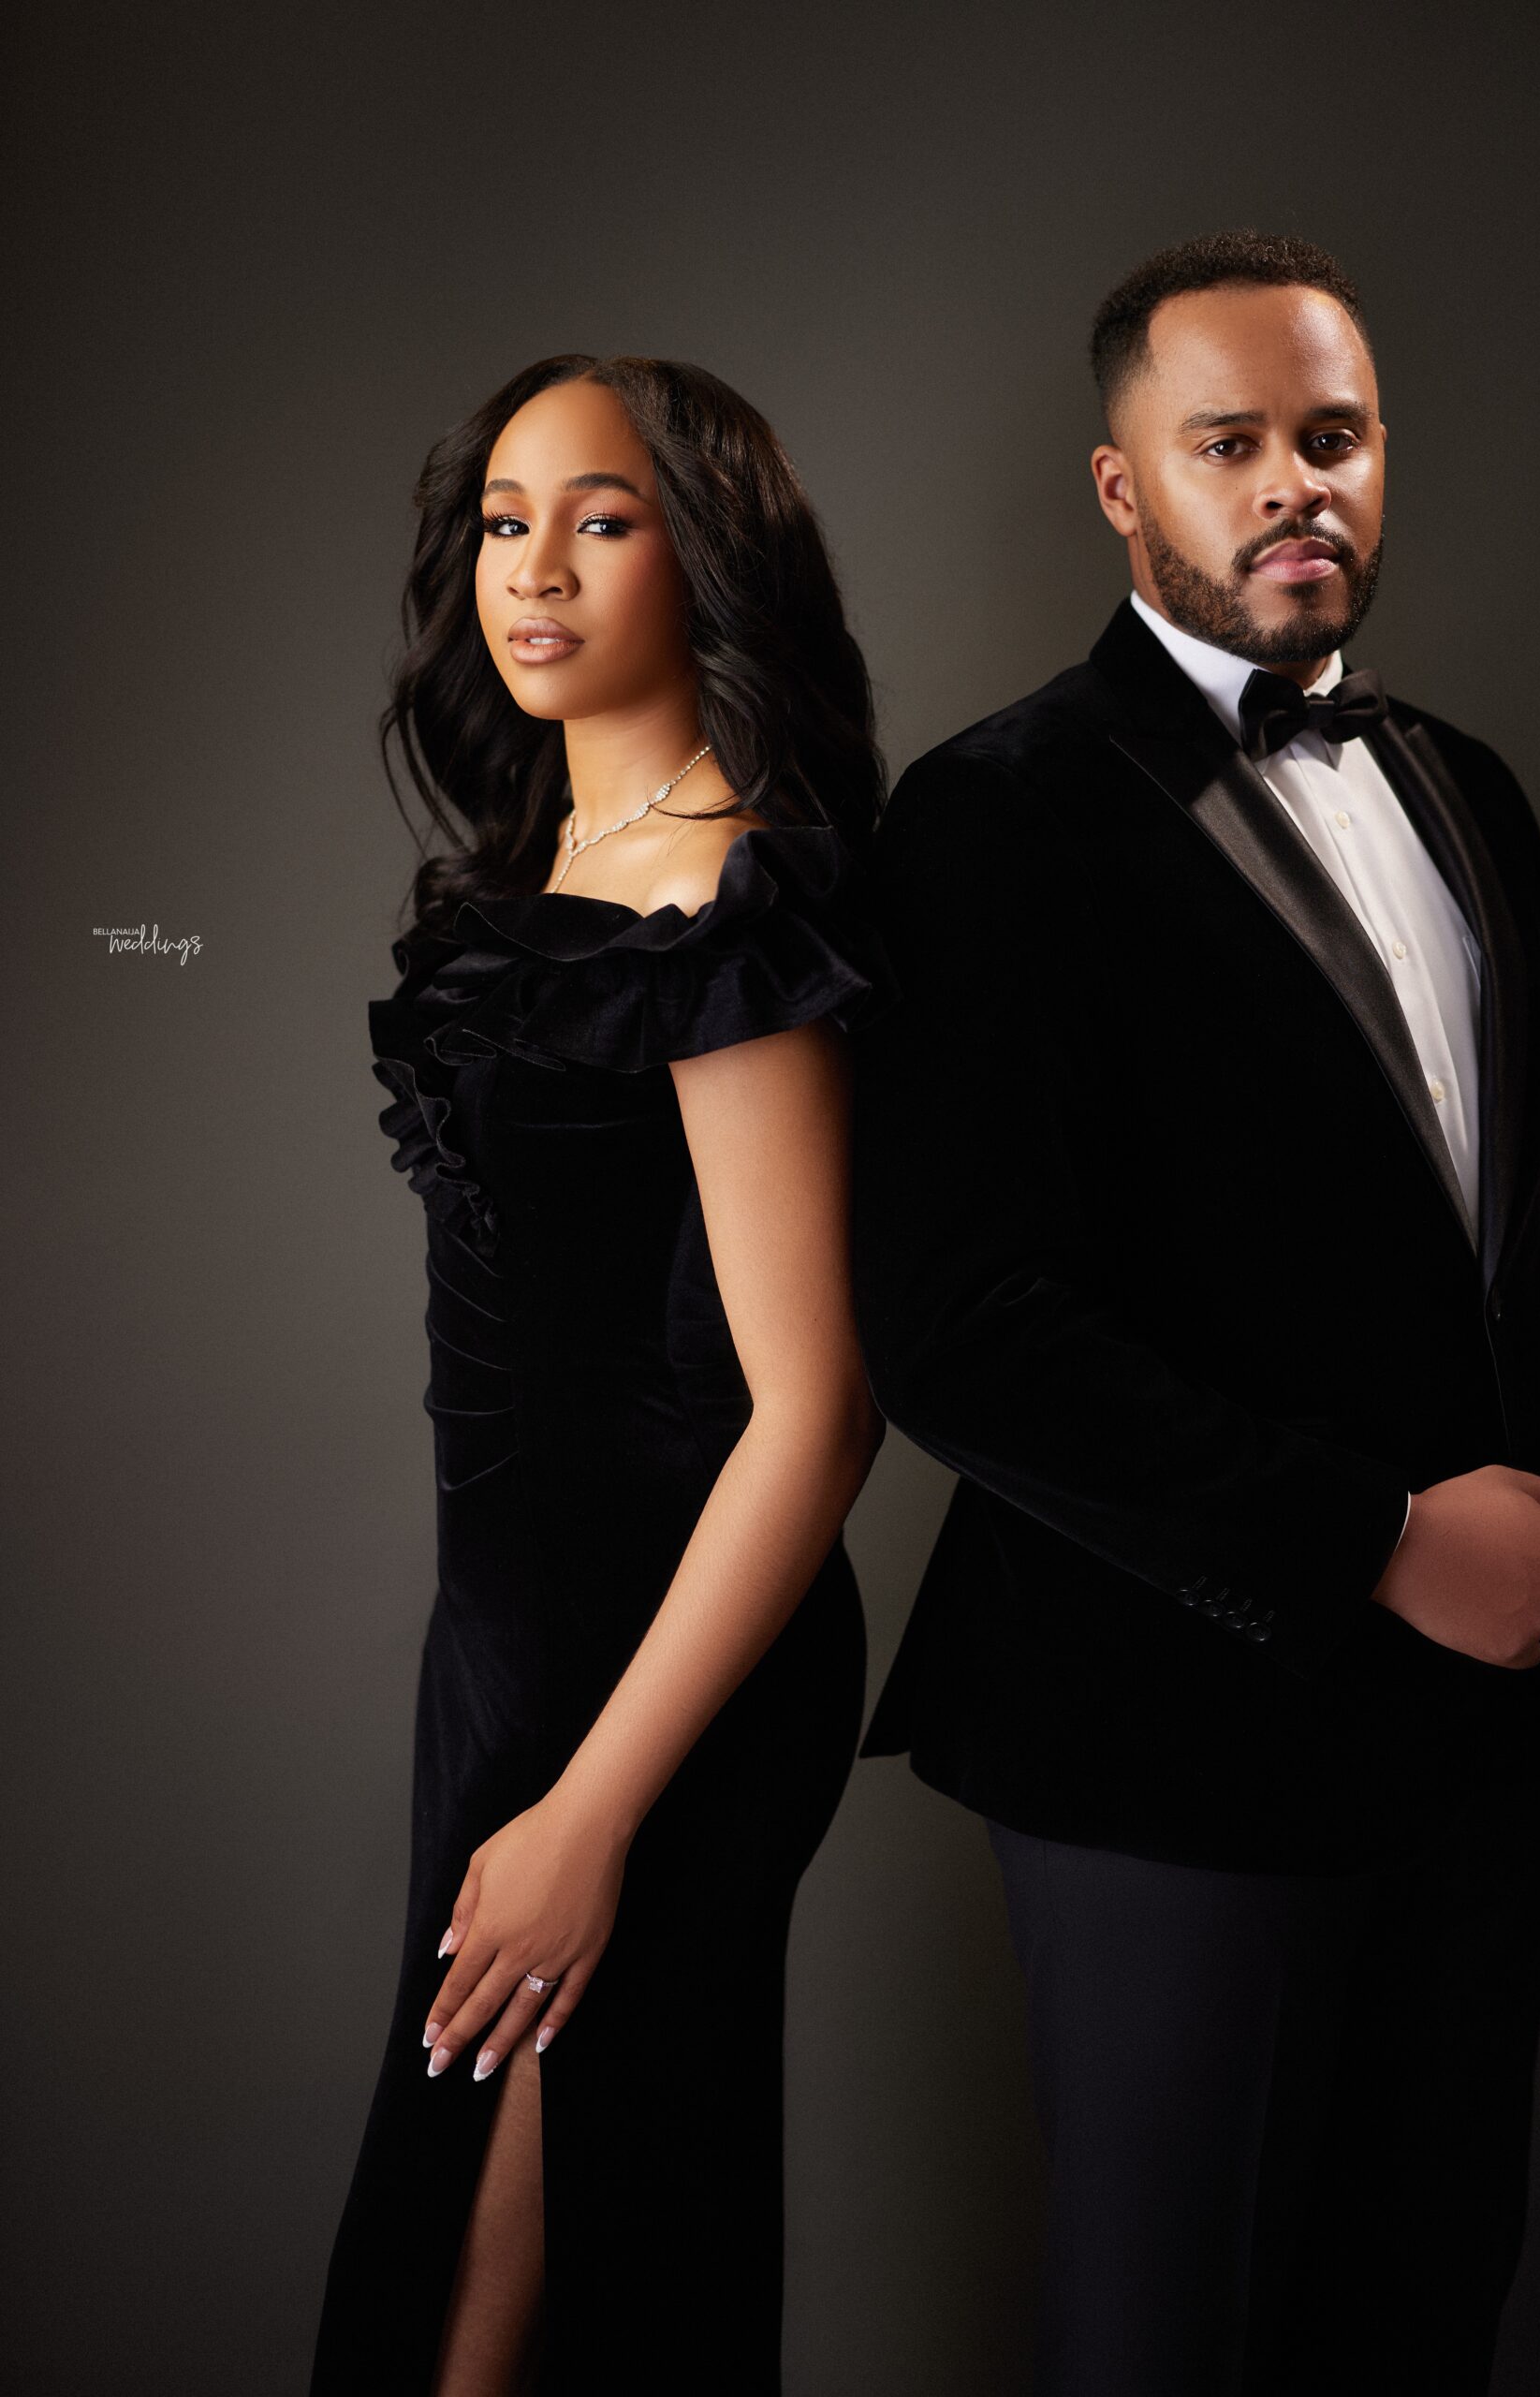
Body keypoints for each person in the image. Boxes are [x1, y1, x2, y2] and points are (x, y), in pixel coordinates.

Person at [849, 231, 1540, 2396]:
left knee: (1423, 2319)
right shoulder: (992, 815)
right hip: (1161, 1739)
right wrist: (1375, 1538)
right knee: (1173, 2342)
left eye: (1336, 435)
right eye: (1230, 443)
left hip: (1486, 1739)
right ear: (1123, 486)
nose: (1297, 481)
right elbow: (956, 1325)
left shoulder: (1471, 791)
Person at [310, 355, 892, 2395]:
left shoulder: (719, 901)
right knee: (465, 2284)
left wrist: (591, 1810)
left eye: (603, 519)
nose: (534, 568)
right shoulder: (545, 872)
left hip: (659, 1683)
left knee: (515, 2315)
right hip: (505, 1654)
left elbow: (818, 1412)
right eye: (503, 521)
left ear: (705, 555)